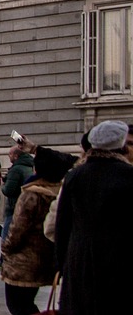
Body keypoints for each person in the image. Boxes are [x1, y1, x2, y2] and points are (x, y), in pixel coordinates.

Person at [53, 120, 133, 315]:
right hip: (119, 259)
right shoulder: (128, 175)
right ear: (121, 145)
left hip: (80, 257)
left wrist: (62, 264)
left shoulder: (76, 174)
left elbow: (62, 224)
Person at [0, 147, 75, 315]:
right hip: (47, 257)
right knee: (26, 303)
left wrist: (6, 249)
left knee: (18, 305)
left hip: (23, 261)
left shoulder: (32, 194)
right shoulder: (61, 192)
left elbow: (17, 229)